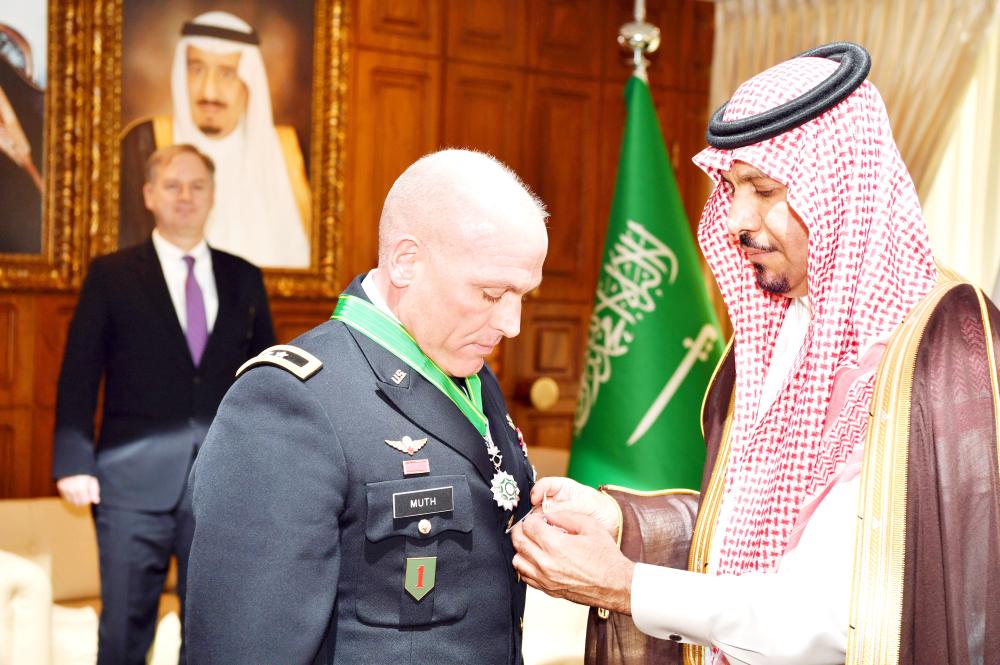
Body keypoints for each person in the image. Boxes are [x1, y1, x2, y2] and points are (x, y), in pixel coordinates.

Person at [511, 42, 1000, 665]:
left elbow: (836, 614)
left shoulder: (934, 351)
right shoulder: (774, 334)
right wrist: (621, 521)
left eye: (764, 189)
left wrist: (627, 585)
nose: (735, 219)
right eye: (731, 187)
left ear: (839, 189)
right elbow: (755, 533)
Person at [184, 149, 547, 664]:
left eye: (523, 296)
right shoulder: (289, 401)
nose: (511, 324)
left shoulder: (469, 368)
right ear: (405, 261)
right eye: (491, 293)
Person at [53, 144, 276, 665]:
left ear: (213, 197)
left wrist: (268, 461)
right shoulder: (111, 275)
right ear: (149, 194)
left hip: (221, 483)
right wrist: (73, 459)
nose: (186, 196)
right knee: (123, 635)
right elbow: (79, 372)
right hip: (130, 485)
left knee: (212, 633)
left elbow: (266, 379)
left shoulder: (245, 277)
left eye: (198, 186)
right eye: (173, 185)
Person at [119, 10, 310, 268]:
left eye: (226, 74)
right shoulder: (141, 143)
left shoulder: (293, 154)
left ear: (248, 82)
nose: (209, 91)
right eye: (197, 70)